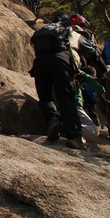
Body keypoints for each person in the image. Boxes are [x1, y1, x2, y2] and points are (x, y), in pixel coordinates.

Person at [30, 16, 85, 149]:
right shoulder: (69, 32)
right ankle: (74, 136)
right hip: (60, 61)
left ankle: (52, 119)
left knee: (45, 95)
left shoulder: (43, 32)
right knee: (66, 97)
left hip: (40, 61)